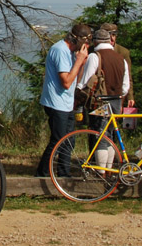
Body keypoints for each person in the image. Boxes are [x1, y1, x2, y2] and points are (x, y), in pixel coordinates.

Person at [34, 24, 91, 178]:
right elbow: (66, 82)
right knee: (58, 140)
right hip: (56, 102)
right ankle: (42, 174)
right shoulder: (60, 50)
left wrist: (82, 63)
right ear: (77, 39)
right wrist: (79, 62)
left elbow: (74, 79)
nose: (87, 46)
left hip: (67, 102)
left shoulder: (72, 52)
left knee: (69, 140)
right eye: (86, 42)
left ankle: (63, 174)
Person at [78, 27, 129, 169]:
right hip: (117, 101)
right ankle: (110, 169)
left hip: (100, 102)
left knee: (100, 136)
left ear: (95, 42)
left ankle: (101, 171)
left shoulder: (96, 56)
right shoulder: (121, 59)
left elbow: (86, 80)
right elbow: (125, 87)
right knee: (111, 135)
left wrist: (78, 94)